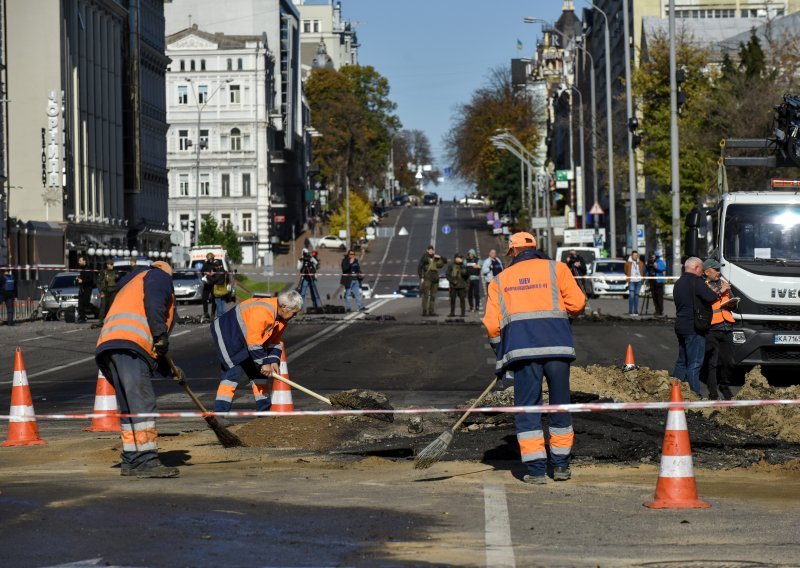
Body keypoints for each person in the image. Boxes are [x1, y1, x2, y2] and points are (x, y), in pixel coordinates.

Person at [483, 232, 586, 484]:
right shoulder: (557, 269)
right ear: (535, 248)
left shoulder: (499, 280)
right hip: (558, 349)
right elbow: (578, 303)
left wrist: (501, 355)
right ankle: (561, 466)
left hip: (522, 352)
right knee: (560, 405)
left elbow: (492, 326)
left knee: (528, 410)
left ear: (513, 252)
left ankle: (537, 470)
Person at [95, 261, 178, 478]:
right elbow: (154, 303)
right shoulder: (158, 276)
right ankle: (147, 460)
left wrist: (171, 371)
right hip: (131, 345)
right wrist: (160, 334)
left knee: (131, 407)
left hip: (111, 345)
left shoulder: (131, 282)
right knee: (142, 404)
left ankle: (131, 459)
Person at [211, 290, 303, 414]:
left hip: (248, 340)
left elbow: (274, 341)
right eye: (294, 313)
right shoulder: (264, 311)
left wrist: (273, 361)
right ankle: (219, 415)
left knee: (259, 375)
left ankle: (264, 413)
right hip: (228, 334)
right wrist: (263, 363)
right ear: (284, 307)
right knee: (231, 375)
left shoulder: (282, 319)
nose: (294, 316)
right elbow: (254, 342)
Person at [672, 257, 728, 397]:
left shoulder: (678, 283)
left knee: (681, 362)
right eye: (701, 269)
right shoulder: (696, 281)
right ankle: (694, 394)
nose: (702, 272)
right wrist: (722, 289)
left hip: (681, 325)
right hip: (694, 327)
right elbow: (710, 297)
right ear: (696, 267)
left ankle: (674, 392)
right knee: (695, 363)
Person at [701, 258, 735, 400]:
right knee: (712, 363)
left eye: (718, 269)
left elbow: (731, 300)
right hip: (713, 328)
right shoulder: (704, 285)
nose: (718, 272)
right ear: (707, 272)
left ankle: (724, 385)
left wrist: (733, 303)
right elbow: (708, 299)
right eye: (715, 269)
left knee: (729, 362)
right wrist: (722, 289)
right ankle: (713, 392)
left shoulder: (724, 284)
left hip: (727, 326)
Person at [418, 246, 445, 317]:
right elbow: (420, 267)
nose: (431, 251)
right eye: (429, 250)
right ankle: (424, 311)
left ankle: (431, 311)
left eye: (432, 250)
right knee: (426, 295)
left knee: (433, 295)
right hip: (427, 277)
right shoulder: (425, 257)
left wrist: (440, 257)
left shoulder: (436, 257)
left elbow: (444, 262)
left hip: (435, 277)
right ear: (427, 250)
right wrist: (421, 277)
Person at [96, 260, 118, 326]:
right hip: (105, 291)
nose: (110, 266)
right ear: (107, 265)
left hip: (113, 291)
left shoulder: (115, 272)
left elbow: (119, 281)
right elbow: (98, 282)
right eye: (109, 264)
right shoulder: (103, 272)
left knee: (112, 306)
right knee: (103, 306)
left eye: (111, 264)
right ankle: (101, 321)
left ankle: (111, 320)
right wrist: (101, 292)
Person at [624, 251, 644, 317]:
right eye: (634, 255)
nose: (635, 256)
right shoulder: (628, 263)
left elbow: (642, 271)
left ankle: (635, 311)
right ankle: (630, 311)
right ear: (631, 256)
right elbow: (625, 271)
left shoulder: (640, 263)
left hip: (638, 281)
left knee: (636, 296)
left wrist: (642, 279)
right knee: (631, 295)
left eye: (636, 255)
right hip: (631, 281)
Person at [75, 256, 95, 323]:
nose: (79, 262)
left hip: (87, 288)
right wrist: (77, 279)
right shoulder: (81, 268)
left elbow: (90, 279)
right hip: (82, 288)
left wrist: (82, 280)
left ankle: (96, 310)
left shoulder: (88, 268)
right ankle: (82, 318)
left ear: (84, 261)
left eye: (80, 261)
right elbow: (81, 277)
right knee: (80, 303)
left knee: (86, 303)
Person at [200, 253, 218, 321]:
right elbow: (202, 271)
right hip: (207, 283)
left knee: (214, 299)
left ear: (213, 258)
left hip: (213, 283)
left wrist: (214, 273)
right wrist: (205, 273)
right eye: (209, 259)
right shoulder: (206, 264)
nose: (210, 260)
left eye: (211, 259)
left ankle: (213, 313)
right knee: (204, 298)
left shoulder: (216, 263)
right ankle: (205, 312)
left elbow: (219, 270)